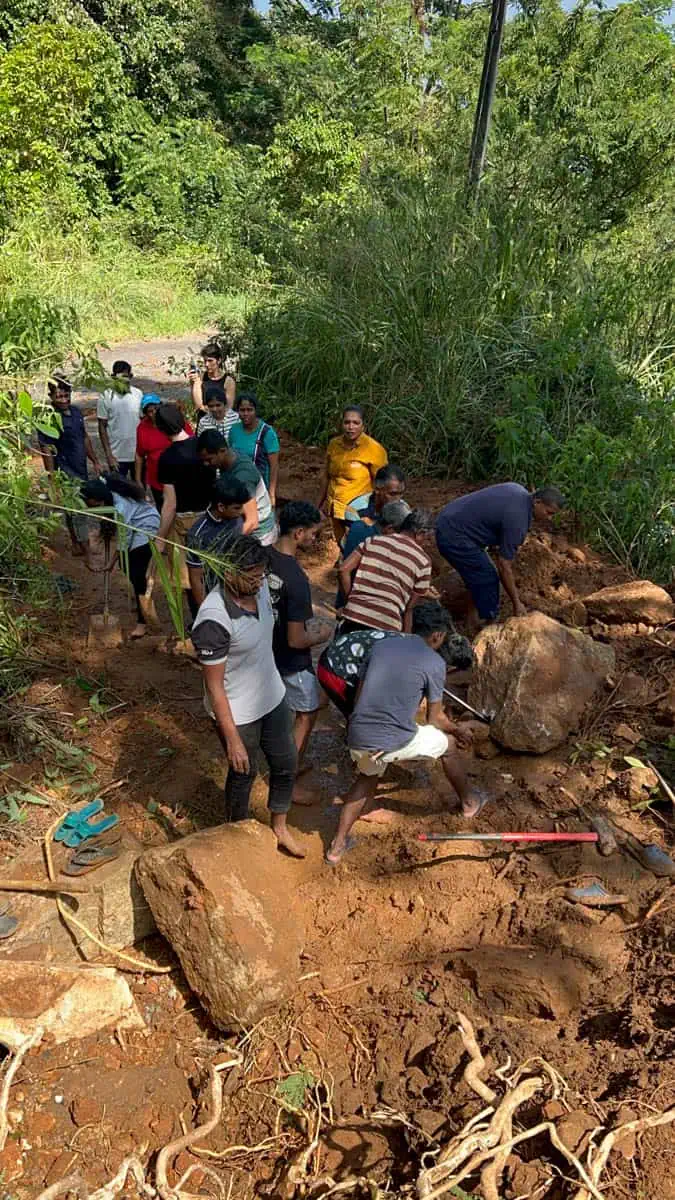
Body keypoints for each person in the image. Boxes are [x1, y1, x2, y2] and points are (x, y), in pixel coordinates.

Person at [325, 601, 485, 865]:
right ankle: (470, 802)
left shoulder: (383, 645)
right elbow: (435, 718)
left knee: (366, 777)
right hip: (390, 739)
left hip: (358, 734)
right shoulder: (434, 662)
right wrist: (457, 731)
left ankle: (336, 846)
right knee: (448, 746)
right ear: (437, 635)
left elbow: (360, 694)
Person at [190, 534, 304, 858]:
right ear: (227, 572)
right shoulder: (213, 621)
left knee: (286, 763)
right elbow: (214, 687)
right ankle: (235, 835)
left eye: (260, 574)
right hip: (237, 711)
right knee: (243, 773)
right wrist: (233, 739)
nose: (258, 582)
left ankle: (280, 826)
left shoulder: (262, 586)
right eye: (250, 576)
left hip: (272, 695)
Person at [436, 484, 566, 629]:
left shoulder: (518, 490)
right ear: (537, 502)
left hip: (449, 516)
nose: (549, 518)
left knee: (479, 571)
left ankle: (471, 618)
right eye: (549, 513)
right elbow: (504, 565)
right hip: (453, 534)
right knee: (488, 577)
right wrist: (517, 603)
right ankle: (486, 622)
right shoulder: (518, 520)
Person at [318, 602, 473, 719]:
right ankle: (361, 752)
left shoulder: (416, 644)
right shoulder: (414, 656)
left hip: (339, 655)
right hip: (335, 668)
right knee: (363, 716)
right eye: (448, 667)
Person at [267, 502, 333, 778]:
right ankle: (287, 776)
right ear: (298, 533)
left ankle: (289, 762)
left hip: (266, 649)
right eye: (313, 534)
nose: (315, 540)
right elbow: (296, 640)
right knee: (306, 712)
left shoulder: (264, 557)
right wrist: (321, 634)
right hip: (290, 658)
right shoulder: (296, 579)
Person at [155, 404, 215, 619]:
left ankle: (201, 621)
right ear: (182, 421)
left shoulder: (167, 459)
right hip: (211, 518)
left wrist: (160, 537)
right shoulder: (203, 446)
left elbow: (170, 503)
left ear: (160, 429)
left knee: (190, 578)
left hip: (185, 525)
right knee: (213, 573)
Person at [82, 475, 160, 639]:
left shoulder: (121, 507)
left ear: (98, 499)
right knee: (127, 567)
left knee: (137, 572)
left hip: (146, 527)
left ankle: (143, 620)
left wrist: (111, 562)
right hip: (133, 526)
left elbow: (124, 538)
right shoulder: (106, 491)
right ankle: (140, 601)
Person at [338, 509, 436, 634]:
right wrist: (406, 640)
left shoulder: (373, 541)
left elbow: (343, 569)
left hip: (353, 615)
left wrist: (350, 601)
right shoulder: (424, 561)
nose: (426, 545)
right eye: (428, 540)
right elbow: (409, 609)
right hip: (387, 625)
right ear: (420, 533)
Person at [38, 377, 101, 557]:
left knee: (72, 510)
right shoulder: (48, 418)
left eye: (66, 395)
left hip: (80, 469)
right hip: (64, 472)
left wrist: (95, 460)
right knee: (77, 509)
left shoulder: (76, 412)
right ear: (51, 396)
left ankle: (76, 544)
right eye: (59, 396)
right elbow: (46, 449)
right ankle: (86, 549)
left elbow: (85, 438)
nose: (64, 400)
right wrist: (52, 478)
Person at [318, 406, 388, 545]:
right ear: (341, 424)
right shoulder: (334, 444)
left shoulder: (373, 449)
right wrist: (319, 504)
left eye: (356, 423)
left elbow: (383, 485)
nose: (351, 427)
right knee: (341, 544)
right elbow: (326, 476)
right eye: (347, 422)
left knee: (357, 545)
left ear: (363, 426)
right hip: (335, 508)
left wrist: (378, 514)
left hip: (359, 511)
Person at [197, 430, 277, 546]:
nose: (206, 464)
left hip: (260, 535)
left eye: (209, 459)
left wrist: (225, 547)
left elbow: (252, 522)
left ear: (222, 451)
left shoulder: (243, 477)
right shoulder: (230, 456)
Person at [336, 498, 411, 609]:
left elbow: (343, 568)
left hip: (345, 601)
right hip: (365, 607)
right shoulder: (381, 545)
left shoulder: (357, 526)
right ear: (390, 529)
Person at [186, 478, 248, 607]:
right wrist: (205, 610)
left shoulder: (235, 517)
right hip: (214, 595)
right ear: (221, 507)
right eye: (237, 508)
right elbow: (196, 578)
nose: (241, 511)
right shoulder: (198, 535)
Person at [135, 393, 193, 510]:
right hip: (156, 479)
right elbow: (139, 455)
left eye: (155, 409)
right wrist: (138, 480)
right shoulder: (142, 428)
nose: (153, 414)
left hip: (179, 477)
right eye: (149, 411)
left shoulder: (173, 420)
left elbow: (190, 443)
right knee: (162, 509)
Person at [228, 393, 280, 506]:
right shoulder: (234, 430)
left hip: (260, 489)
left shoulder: (267, 433)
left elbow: (274, 466)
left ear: (256, 410)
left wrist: (271, 494)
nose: (246, 414)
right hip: (239, 488)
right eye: (242, 410)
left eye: (249, 410)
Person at [97, 361, 142, 478]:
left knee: (139, 489)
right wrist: (109, 455)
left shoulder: (138, 394)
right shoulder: (105, 396)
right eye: (120, 378)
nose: (124, 381)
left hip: (138, 454)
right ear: (113, 377)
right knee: (118, 492)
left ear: (131, 376)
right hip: (117, 455)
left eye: (126, 377)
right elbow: (102, 426)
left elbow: (144, 422)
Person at [345, 463, 406, 533]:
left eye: (401, 493)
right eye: (392, 494)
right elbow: (354, 541)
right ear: (377, 489)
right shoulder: (354, 510)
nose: (398, 499)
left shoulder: (403, 508)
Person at [189, 343, 236, 426]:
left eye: (210, 360)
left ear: (219, 360)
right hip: (204, 422)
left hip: (223, 423)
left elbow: (229, 407)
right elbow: (198, 406)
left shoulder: (228, 381)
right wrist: (192, 383)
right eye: (205, 361)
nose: (207, 364)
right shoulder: (200, 378)